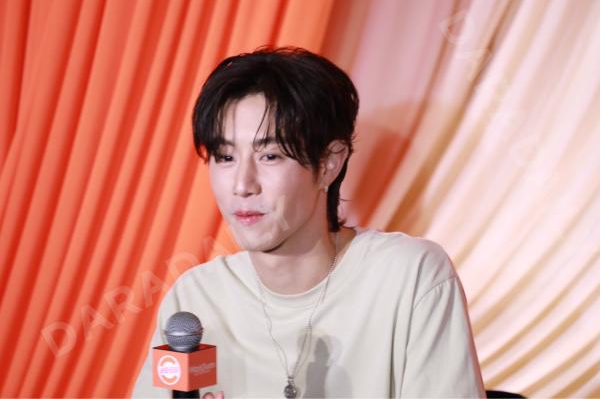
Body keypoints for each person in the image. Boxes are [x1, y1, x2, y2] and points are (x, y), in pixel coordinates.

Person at [132, 47, 485, 398]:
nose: (242, 185)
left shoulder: (411, 277)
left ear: (329, 164)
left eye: (270, 156)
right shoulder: (195, 300)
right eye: (225, 157)